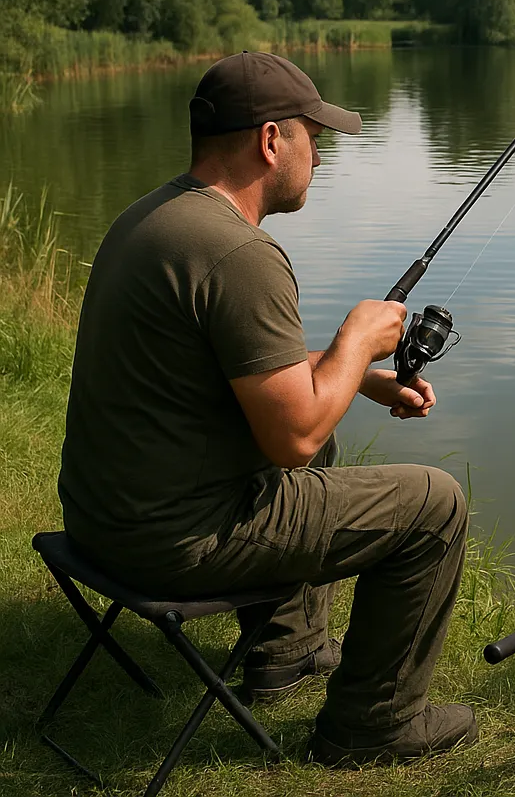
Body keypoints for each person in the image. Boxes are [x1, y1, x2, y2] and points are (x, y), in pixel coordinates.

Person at [57, 51, 476, 766]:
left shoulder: (151, 218)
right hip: (172, 542)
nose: (321, 154)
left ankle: (287, 648)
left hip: (100, 521)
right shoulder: (240, 253)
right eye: (315, 136)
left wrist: (354, 379)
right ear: (271, 139)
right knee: (433, 502)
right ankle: (371, 727)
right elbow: (293, 439)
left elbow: (221, 377)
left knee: (328, 425)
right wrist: (353, 341)